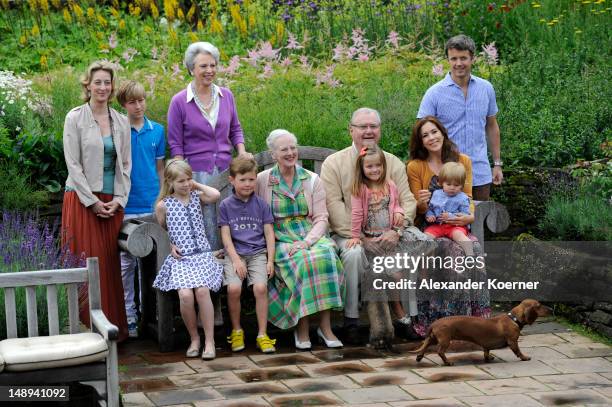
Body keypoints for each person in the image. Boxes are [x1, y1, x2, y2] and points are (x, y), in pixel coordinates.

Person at [320, 108, 430, 343]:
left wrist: (396, 231)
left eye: (373, 126)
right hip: (350, 233)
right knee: (353, 254)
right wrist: (360, 236)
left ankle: (408, 317)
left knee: (418, 247)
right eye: (362, 126)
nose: (368, 131)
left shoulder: (391, 162)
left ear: (379, 130)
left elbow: (407, 200)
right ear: (351, 130)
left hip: (389, 232)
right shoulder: (334, 163)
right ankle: (351, 321)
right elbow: (333, 206)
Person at [256, 129, 345, 350]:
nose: (290, 152)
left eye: (293, 147)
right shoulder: (263, 181)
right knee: (303, 262)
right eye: (284, 149)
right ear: (273, 154)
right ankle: (302, 327)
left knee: (326, 256)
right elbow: (257, 216)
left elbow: (321, 218)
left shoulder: (311, 179)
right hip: (279, 238)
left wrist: (308, 241)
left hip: (309, 234)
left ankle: (325, 328)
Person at [61, 60, 130, 341]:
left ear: (112, 87)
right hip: (81, 201)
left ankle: (113, 332)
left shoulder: (121, 121)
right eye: (97, 82)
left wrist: (118, 199)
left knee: (108, 266)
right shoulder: (74, 118)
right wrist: (91, 201)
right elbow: (73, 164)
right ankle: (84, 334)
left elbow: (125, 164)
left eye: (107, 82)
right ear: (87, 85)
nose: (102, 87)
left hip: (110, 203)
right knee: (86, 264)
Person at [407, 116, 490, 337]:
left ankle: (476, 320)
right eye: (425, 135)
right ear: (420, 141)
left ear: (443, 133)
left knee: (474, 250)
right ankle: (442, 320)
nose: (431, 137)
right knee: (448, 251)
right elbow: (417, 209)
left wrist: (467, 219)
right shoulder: (415, 166)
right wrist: (422, 203)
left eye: (434, 132)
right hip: (431, 225)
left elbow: (469, 199)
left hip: (458, 224)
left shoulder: (463, 161)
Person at [167, 41, 250, 251]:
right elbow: (175, 144)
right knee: (204, 227)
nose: (209, 70)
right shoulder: (179, 102)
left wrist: (241, 153)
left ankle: (233, 274)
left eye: (213, 65)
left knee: (229, 223)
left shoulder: (226, 95)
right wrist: (182, 177)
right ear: (191, 69)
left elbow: (235, 130)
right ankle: (208, 275)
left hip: (224, 171)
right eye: (203, 66)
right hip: (196, 175)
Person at [417, 34, 503, 201]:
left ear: (473, 58)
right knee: (447, 222)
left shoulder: (486, 89)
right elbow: (422, 132)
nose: (458, 64)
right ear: (448, 60)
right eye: (453, 58)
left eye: (463, 58)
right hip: (446, 173)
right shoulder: (434, 93)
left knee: (478, 220)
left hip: (479, 171)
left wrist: (497, 164)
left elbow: (492, 126)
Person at [153, 159, 223, 360]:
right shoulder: (163, 205)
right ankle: (194, 339)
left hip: (202, 256)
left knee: (201, 291)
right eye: (181, 181)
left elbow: (215, 195)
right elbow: (164, 230)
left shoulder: (196, 197)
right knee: (185, 296)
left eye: (188, 179)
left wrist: (197, 184)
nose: (186, 184)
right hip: (181, 259)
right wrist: (171, 245)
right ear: (170, 182)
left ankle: (209, 341)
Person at [116, 80, 165, 338]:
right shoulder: (117, 131)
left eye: (142, 100)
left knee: (151, 262)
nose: (139, 106)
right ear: (123, 105)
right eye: (133, 102)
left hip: (150, 205)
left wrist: (159, 201)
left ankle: (150, 313)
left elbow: (160, 170)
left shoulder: (157, 131)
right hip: (125, 206)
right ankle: (129, 315)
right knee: (126, 264)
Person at [346, 145, 417, 325]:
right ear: (361, 169)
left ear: (384, 166)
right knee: (376, 274)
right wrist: (356, 236)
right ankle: (385, 313)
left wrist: (400, 212)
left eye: (378, 165)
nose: (375, 170)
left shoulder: (390, 185)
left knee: (397, 276)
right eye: (369, 166)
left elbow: (396, 204)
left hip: (388, 239)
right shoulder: (359, 189)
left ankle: (396, 305)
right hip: (371, 239)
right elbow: (356, 214)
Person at [218, 157, 277, 354]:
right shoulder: (226, 205)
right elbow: (226, 237)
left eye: (252, 180)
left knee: (260, 288)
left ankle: (262, 334)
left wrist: (270, 260)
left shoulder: (261, 205)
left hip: (258, 253)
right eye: (242, 180)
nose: (247, 184)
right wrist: (235, 260)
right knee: (234, 289)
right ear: (232, 180)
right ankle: (237, 330)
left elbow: (269, 233)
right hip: (235, 254)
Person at [424, 162, 474, 256]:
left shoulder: (463, 198)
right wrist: (430, 215)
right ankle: (426, 260)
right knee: (426, 236)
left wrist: (451, 216)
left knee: (459, 236)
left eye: (456, 185)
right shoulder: (436, 194)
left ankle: (470, 256)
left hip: (455, 226)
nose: (452, 188)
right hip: (438, 225)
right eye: (448, 184)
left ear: (462, 185)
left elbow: (465, 214)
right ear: (441, 182)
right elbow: (430, 208)